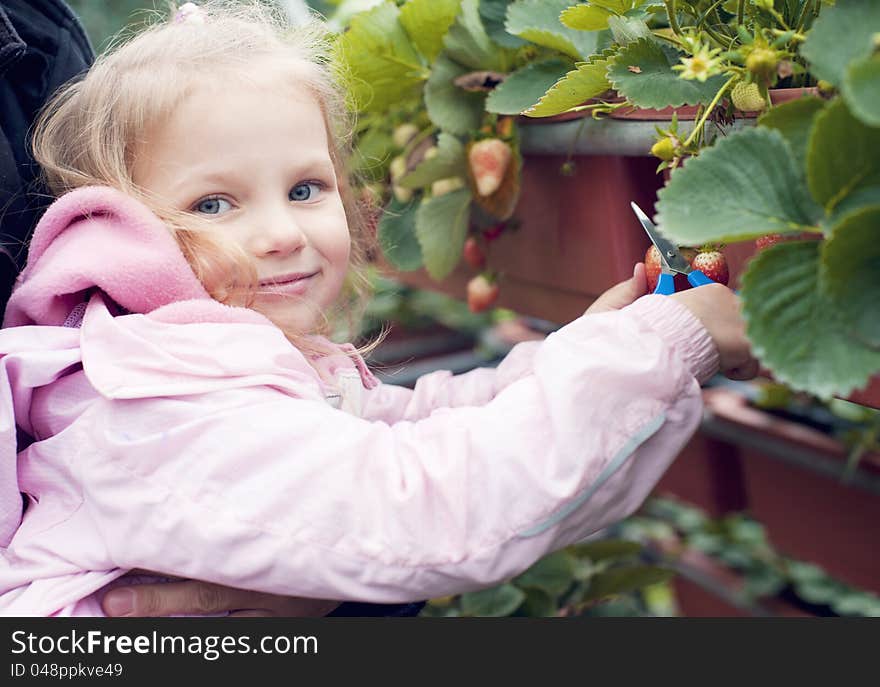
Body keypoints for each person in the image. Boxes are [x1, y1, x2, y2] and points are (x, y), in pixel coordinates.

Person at [0, 0, 756, 616]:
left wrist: (591, 349)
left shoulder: (209, 353)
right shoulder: (157, 399)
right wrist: (663, 344)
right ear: (126, 230)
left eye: (304, 188)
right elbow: (429, 509)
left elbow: (408, 425)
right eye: (213, 203)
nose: (281, 233)